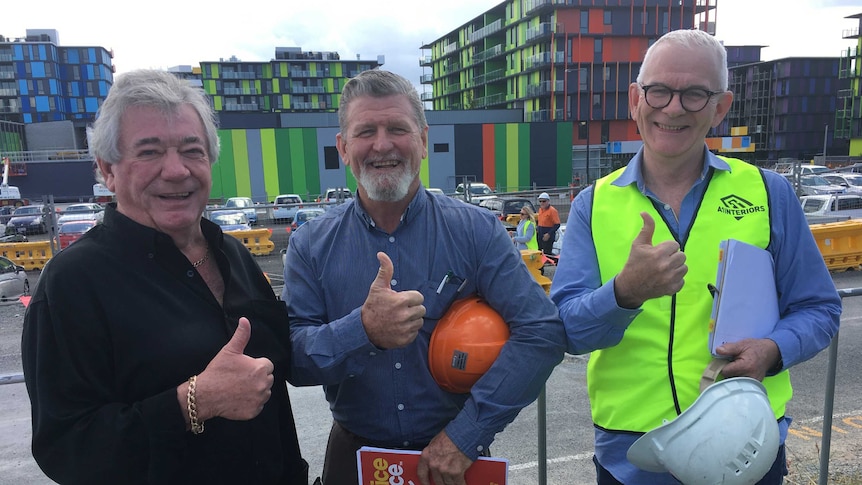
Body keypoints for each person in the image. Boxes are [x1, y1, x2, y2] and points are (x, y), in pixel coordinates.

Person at [550, 29, 841, 484]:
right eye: (659, 91)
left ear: (720, 107)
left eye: (694, 95)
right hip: (634, 456)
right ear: (635, 99)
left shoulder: (769, 193)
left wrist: (773, 349)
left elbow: (819, 308)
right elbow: (567, 330)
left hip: (745, 445)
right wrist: (625, 294)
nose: (672, 107)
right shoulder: (594, 203)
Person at [21, 70, 308, 484]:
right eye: (150, 152)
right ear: (108, 170)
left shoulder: (235, 256)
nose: (175, 171)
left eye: (192, 150)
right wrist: (195, 402)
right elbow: (66, 448)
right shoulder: (72, 284)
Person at [282, 69, 566, 485]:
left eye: (397, 128)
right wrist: (363, 330)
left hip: (456, 458)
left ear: (423, 141)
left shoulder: (477, 232)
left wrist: (465, 435)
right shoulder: (310, 245)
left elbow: (541, 332)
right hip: (355, 460)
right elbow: (292, 358)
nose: (382, 144)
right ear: (343, 148)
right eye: (366, 132)